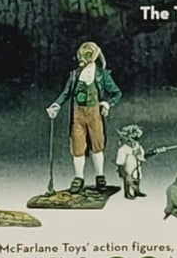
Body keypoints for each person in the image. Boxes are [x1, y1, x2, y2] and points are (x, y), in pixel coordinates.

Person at [46, 41, 123, 194]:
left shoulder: (102, 75)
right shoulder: (75, 75)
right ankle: (78, 177)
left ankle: (100, 176)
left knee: (97, 145)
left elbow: (117, 93)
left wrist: (107, 103)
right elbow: (66, 93)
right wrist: (56, 105)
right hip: (78, 115)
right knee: (77, 146)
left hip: (94, 114)